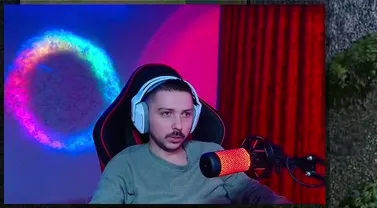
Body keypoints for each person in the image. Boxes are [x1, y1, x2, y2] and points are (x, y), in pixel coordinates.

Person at [91, 77, 289, 204]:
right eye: (166, 113)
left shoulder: (215, 152)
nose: (178, 125)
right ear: (143, 117)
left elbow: (250, 190)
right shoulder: (125, 164)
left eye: (186, 114)